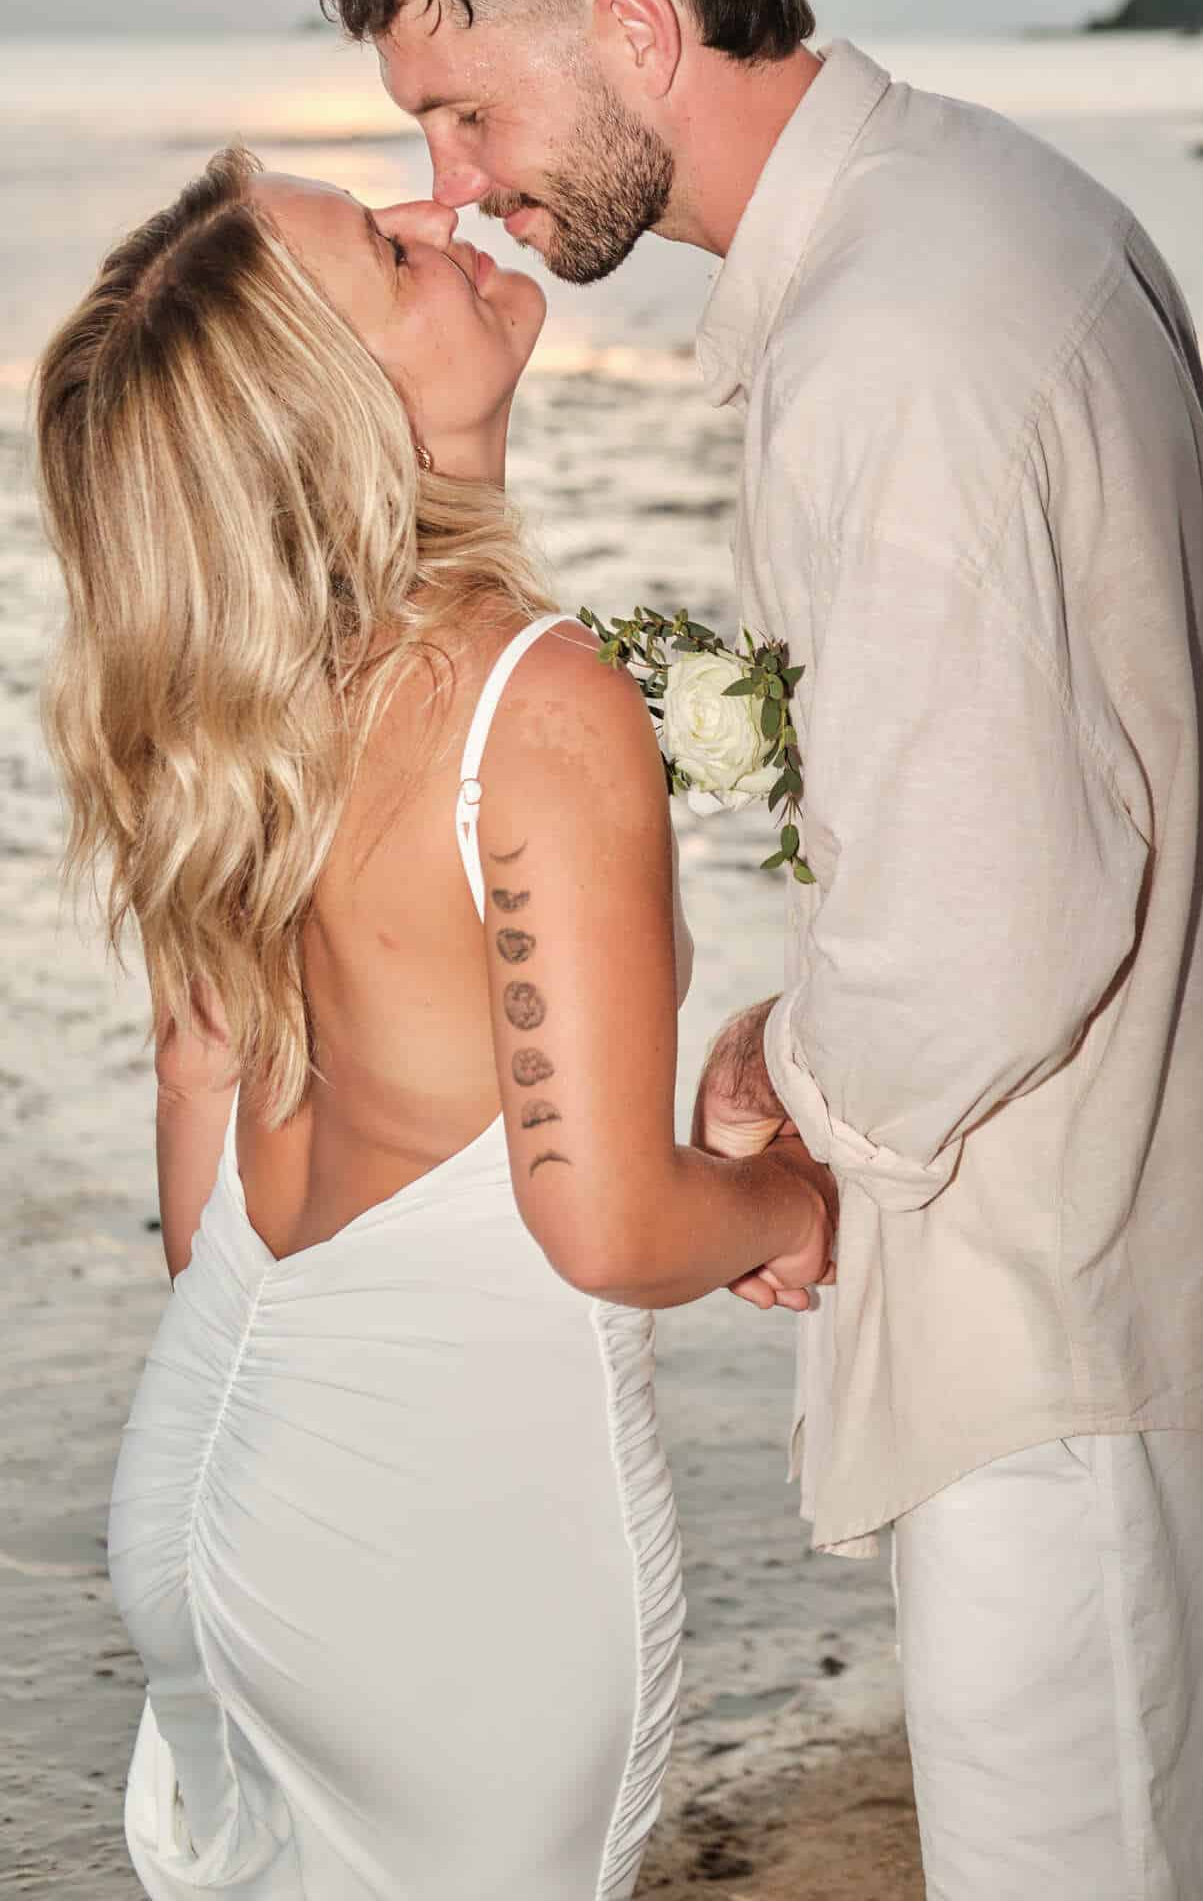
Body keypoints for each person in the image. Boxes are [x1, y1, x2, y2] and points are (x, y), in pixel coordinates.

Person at [320, 0, 1203, 1899]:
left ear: (636, 25)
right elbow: (1015, 814)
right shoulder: (976, 207)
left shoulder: (895, 337)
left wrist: (790, 1121)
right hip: (1141, 1252)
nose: (458, 177)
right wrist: (803, 1031)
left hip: (1061, 1310)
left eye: (467, 109)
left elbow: (988, 916)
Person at [33, 148, 836, 1899]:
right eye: (389, 258)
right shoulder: (534, 703)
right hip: (435, 1543)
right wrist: (798, 1209)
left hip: (209, 1474)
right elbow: (610, 1223)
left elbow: (201, 1133)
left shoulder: (238, 709)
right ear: (343, 417)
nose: (442, 221)